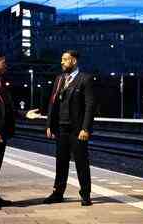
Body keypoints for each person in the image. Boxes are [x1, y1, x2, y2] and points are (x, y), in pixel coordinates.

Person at [0, 53, 41, 210]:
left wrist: (25, 113)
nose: (6, 65)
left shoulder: (0, 83)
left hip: (2, 132)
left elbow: (8, 108)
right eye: (3, 62)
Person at [44, 50, 95, 206]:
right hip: (60, 128)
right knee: (61, 162)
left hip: (77, 129)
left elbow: (90, 106)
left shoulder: (84, 79)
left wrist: (85, 128)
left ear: (73, 61)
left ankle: (85, 194)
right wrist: (49, 124)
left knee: (81, 162)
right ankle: (58, 193)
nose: (62, 62)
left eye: (65, 59)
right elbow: (52, 102)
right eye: (61, 59)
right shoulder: (59, 79)